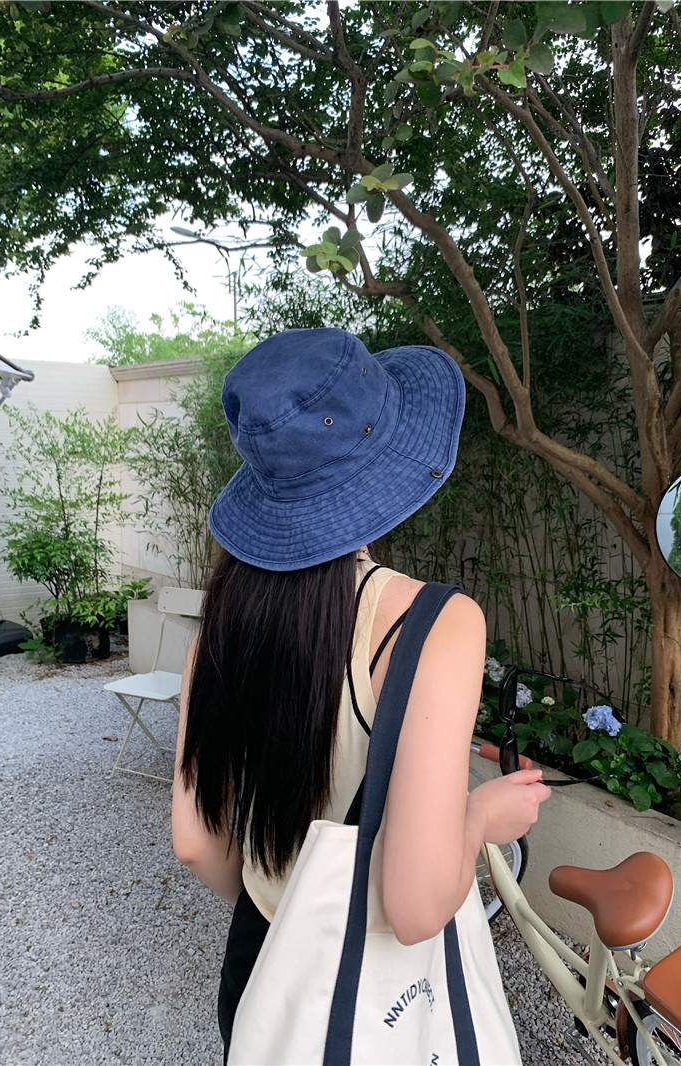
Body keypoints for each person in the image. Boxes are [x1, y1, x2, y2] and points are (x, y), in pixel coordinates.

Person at [171, 327, 551, 1060]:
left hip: (261, 982)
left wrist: (287, 907)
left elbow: (196, 841)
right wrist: (479, 817)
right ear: (388, 460)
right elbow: (415, 908)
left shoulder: (217, 633)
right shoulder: (436, 623)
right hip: (377, 1006)